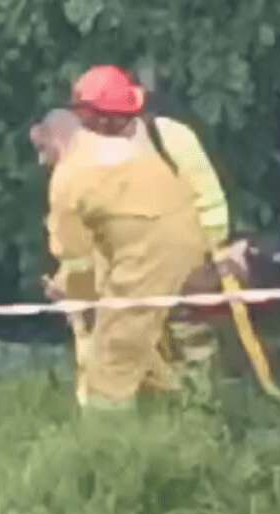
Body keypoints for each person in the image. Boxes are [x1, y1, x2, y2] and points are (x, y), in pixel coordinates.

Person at [38, 94, 207, 414]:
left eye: (41, 149)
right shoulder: (121, 147)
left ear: (56, 138)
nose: (40, 161)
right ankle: (177, 404)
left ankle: (107, 442)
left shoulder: (68, 176)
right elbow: (114, 233)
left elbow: (76, 259)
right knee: (140, 333)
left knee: (111, 356)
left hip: (151, 254)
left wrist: (74, 297)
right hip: (185, 241)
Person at [69, 66, 226, 396]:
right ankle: (146, 414)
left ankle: (200, 410)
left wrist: (204, 256)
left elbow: (210, 201)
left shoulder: (170, 138)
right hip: (127, 267)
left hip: (184, 260)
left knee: (190, 338)